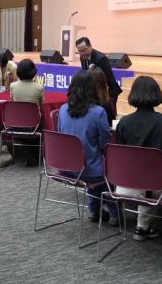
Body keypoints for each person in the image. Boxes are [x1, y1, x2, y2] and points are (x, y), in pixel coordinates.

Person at [114, 76, 162, 246]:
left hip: (127, 186)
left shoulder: (123, 122)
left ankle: (142, 227)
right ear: (157, 94)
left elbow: (120, 154)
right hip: (158, 187)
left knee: (144, 177)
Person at [57, 70, 119, 225]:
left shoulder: (62, 109)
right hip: (89, 170)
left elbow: (60, 134)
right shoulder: (98, 112)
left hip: (65, 167)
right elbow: (105, 144)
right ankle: (115, 214)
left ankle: (94, 210)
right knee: (106, 167)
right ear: (93, 89)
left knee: (93, 161)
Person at [75, 37, 122, 102]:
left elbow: (107, 79)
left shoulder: (101, 59)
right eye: (80, 51)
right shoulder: (82, 57)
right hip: (93, 91)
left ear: (90, 46)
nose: (82, 53)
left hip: (107, 92)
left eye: (84, 50)